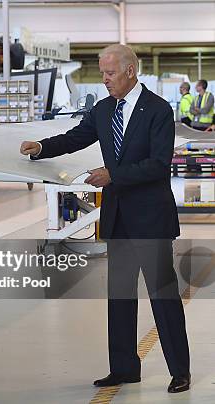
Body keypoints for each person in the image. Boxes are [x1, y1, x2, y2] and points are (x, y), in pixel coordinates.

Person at [20, 44, 190, 394]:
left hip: (151, 219)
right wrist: (40, 148)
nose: (105, 80)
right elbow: (75, 138)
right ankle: (124, 368)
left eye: (110, 73)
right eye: (103, 73)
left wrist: (113, 175)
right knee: (121, 296)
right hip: (118, 218)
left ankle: (180, 370)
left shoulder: (157, 110)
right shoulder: (102, 109)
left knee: (163, 295)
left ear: (130, 71)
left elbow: (159, 164)